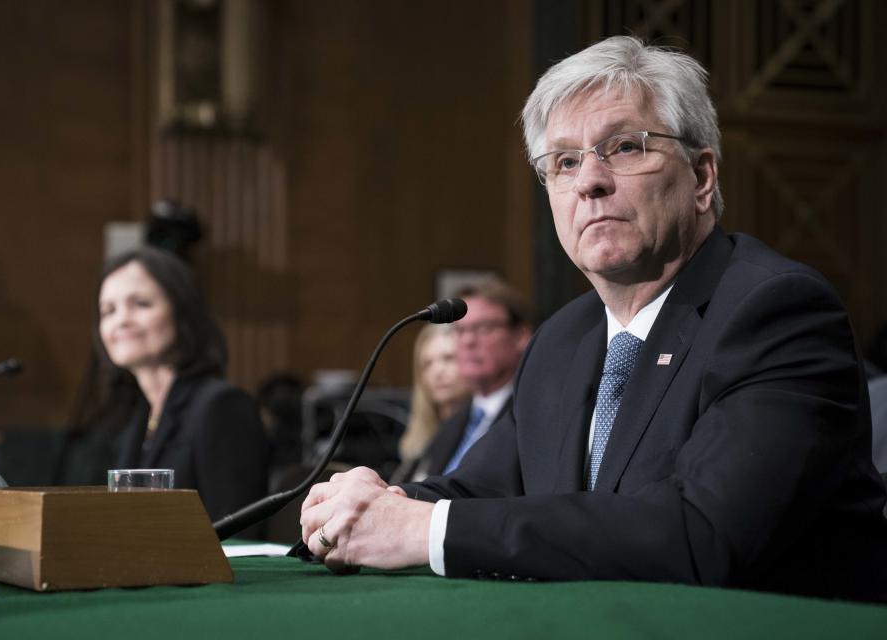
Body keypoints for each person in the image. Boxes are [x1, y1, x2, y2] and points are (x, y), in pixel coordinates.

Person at [298, 36, 887, 601]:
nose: (590, 181)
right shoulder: (565, 337)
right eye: (563, 162)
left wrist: (419, 529)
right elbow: (478, 491)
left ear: (703, 178)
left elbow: (703, 534)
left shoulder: (776, 310)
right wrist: (368, 504)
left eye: (626, 147)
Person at [95, 246, 269, 530]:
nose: (121, 319)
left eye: (141, 303)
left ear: (182, 311)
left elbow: (240, 533)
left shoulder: (222, 406)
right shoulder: (140, 414)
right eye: (108, 310)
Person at [403, 279, 532, 480]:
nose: (468, 340)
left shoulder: (532, 413)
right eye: (460, 330)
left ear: (520, 337)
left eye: (483, 327)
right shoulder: (452, 423)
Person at [391, 324, 470, 483]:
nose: (437, 371)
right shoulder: (420, 439)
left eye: (449, 358)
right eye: (427, 364)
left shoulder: (479, 431)